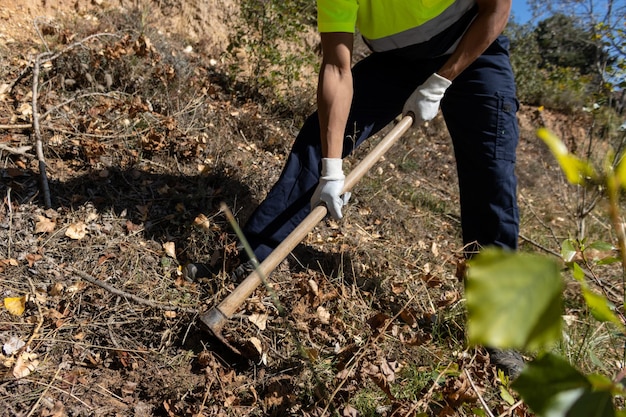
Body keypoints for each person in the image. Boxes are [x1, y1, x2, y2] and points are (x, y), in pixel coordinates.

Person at [191, 0, 524, 376]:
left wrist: (442, 80)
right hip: (396, 62)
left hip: (474, 47)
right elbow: (336, 66)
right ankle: (254, 258)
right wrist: (331, 168)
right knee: (318, 141)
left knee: (491, 177)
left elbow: (496, 9)